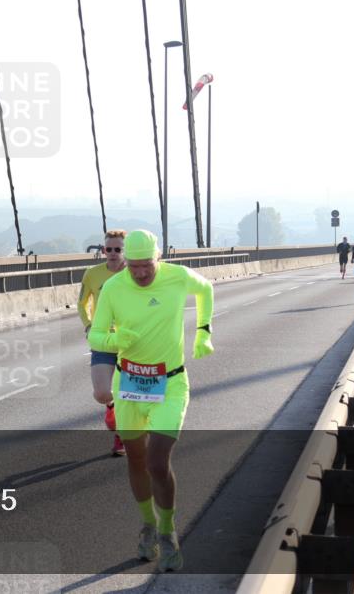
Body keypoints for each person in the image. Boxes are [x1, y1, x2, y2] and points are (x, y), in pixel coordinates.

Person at [88, 230, 214, 572]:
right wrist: (116, 340)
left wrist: (204, 330)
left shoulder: (177, 277)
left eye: (147, 266)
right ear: (125, 261)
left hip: (170, 383)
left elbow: (206, 290)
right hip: (129, 383)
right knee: (136, 460)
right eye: (134, 267)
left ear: (158, 258)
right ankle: (147, 524)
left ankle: (167, 531)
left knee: (158, 461)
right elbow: (95, 335)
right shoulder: (114, 288)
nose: (141, 273)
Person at [79, 230, 128, 457]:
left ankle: (121, 438)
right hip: (102, 341)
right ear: (103, 251)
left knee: (126, 394)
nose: (113, 253)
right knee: (102, 393)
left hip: (130, 344)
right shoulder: (92, 274)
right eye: (109, 249)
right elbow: (82, 304)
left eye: (118, 249)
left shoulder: (135, 273)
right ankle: (110, 407)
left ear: (126, 251)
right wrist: (88, 325)